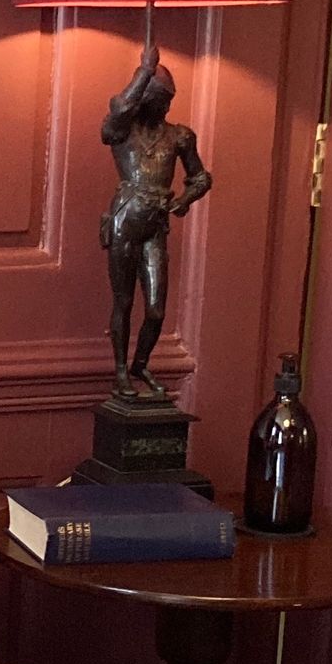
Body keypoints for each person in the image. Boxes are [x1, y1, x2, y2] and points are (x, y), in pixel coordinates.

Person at [98, 33, 213, 400]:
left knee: (155, 309)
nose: (165, 106)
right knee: (123, 301)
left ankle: (140, 363)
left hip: (155, 226)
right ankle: (120, 370)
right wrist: (145, 72)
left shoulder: (179, 136)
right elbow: (119, 108)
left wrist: (185, 200)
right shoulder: (122, 132)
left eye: (169, 100)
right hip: (126, 220)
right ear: (146, 98)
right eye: (160, 99)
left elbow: (201, 177)